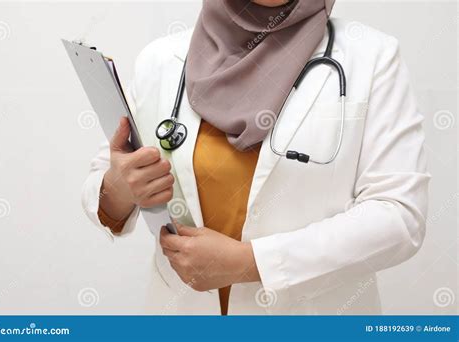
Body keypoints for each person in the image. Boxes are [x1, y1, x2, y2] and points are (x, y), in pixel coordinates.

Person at [82, 0, 430, 315]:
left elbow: (399, 216)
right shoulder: (161, 60)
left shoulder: (372, 58)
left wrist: (252, 263)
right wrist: (121, 186)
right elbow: (103, 187)